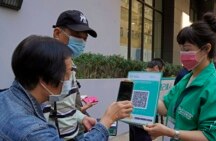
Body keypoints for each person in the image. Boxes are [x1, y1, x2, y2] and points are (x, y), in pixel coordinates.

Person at [0, 35, 133, 141]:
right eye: (67, 74)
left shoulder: (6, 98)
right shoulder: (34, 131)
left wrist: (81, 117)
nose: (70, 80)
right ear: (43, 80)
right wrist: (107, 121)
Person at [143, 12, 216, 141]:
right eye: (181, 49)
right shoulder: (187, 78)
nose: (182, 54)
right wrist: (141, 90)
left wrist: (172, 133)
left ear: (206, 48)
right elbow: (165, 107)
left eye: (187, 49)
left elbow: (214, 136)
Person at [42, 10, 98, 139]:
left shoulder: (70, 65)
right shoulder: (45, 66)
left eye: (85, 38)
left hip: (75, 134)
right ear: (57, 33)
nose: (82, 42)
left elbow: (66, 106)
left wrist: (82, 118)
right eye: (77, 35)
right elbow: (39, 116)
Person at [129, 58, 165, 141]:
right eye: (162, 71)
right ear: (156, 68)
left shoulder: (137, 76)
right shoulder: (150, 80)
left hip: (132, 118)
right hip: (144, 121)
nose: (162, 74)